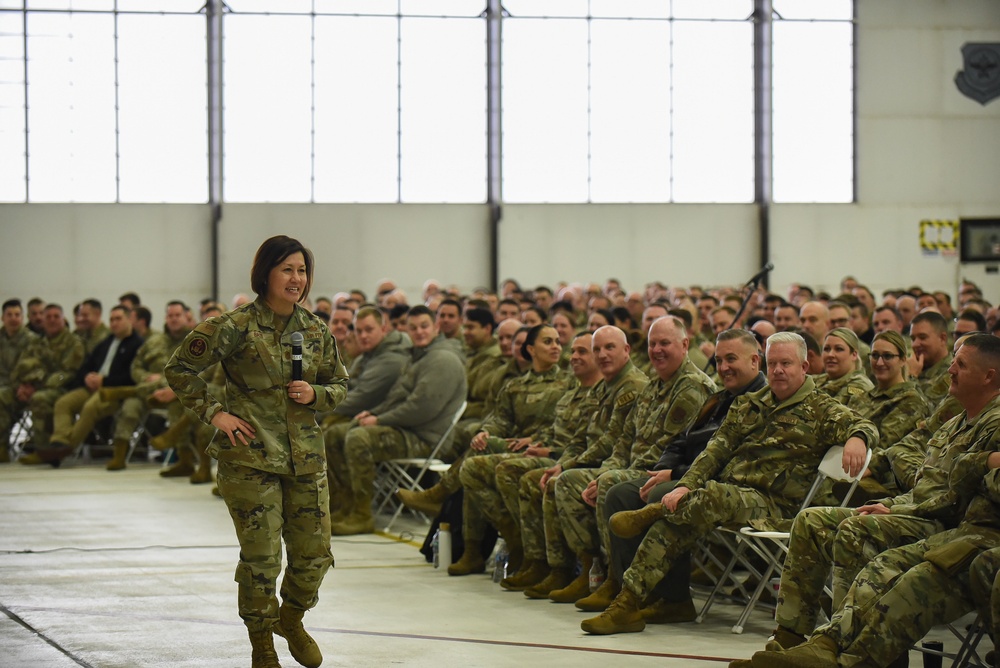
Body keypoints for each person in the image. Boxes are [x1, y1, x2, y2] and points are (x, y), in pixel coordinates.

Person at [584, 332, 877, 635]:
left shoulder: (821, 409)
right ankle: (627, 604)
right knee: (676, 523)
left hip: (779, 504)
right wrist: (685, 485)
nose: (777, 370)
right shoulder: (749, 404)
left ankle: (654, 511)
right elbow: (715, 451)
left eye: (786, 363)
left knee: (709, 498)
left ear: (804, 367)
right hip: (730, 496)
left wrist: (858, 438)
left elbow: (865, 424)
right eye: (772, 363)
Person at [736, 333, 1000, 662]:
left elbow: (959, 497)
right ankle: (792, 637)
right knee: (813, 519)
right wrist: (893, 504)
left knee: (856, 531)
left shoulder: (994, 423)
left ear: (989, 375)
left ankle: (835, 647)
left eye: (960, 365)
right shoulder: (954, 424)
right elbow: (925, 482)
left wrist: (900, 506)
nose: (950, 370)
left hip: (953, 527)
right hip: (922, 513)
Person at [165, 235, 348, 668]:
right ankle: (262, 644)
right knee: (263, 558)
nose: (296, 279)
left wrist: (316, 394)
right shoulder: (234, 325)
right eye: (287, 269)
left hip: (305, 460)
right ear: (265, 273)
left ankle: (292, 617)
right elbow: (179, 369)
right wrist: (216, 414)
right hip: (250, 459)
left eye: (302, 270)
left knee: (315, 555)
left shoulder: (316, 330)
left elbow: (339, 385)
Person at [596, 328, 766, 623]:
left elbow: (732, 460)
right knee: (620, 493)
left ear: (755, 361)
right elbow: (681, 440)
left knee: (664, 496)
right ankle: (632, 588)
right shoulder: (719, 398)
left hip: (720, 487)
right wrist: (664, 469)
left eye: (731, 359)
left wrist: (675, 474)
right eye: (719, 360)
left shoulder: (761, 402)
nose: (723, 367)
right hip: (686, 475)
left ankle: (673, 597)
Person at [328, 304, 467, 535]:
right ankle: (345, 507)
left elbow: (421, 408)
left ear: (436, 327)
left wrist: (379, 419)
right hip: (408, 431)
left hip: (424, 438)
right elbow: (397, 398)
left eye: (424, 326)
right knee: (335, 433)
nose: (419, 332)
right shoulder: (420, 356)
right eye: (413, 327)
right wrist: (373, 414)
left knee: (359, 438)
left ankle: (362, 515)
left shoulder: (443, 359)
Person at [25, 305, 144, 467]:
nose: (114, 323)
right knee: (63, 403)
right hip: (92, 386)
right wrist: (87, 377)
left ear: (129, 320)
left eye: (118, 319)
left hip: (114, 392)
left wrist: (105, 381)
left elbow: (133, 377)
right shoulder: (106, 343)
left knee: (90, 407)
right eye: (112, 319)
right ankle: (58, 442)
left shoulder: (138, 345)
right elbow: (85, 366)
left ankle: (64, 449)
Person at [813, 328, 874, 410]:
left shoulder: (860, 386)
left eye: (839, 349)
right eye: (826, 349)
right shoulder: (817, 380)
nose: (830, 355)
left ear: (854, 355)